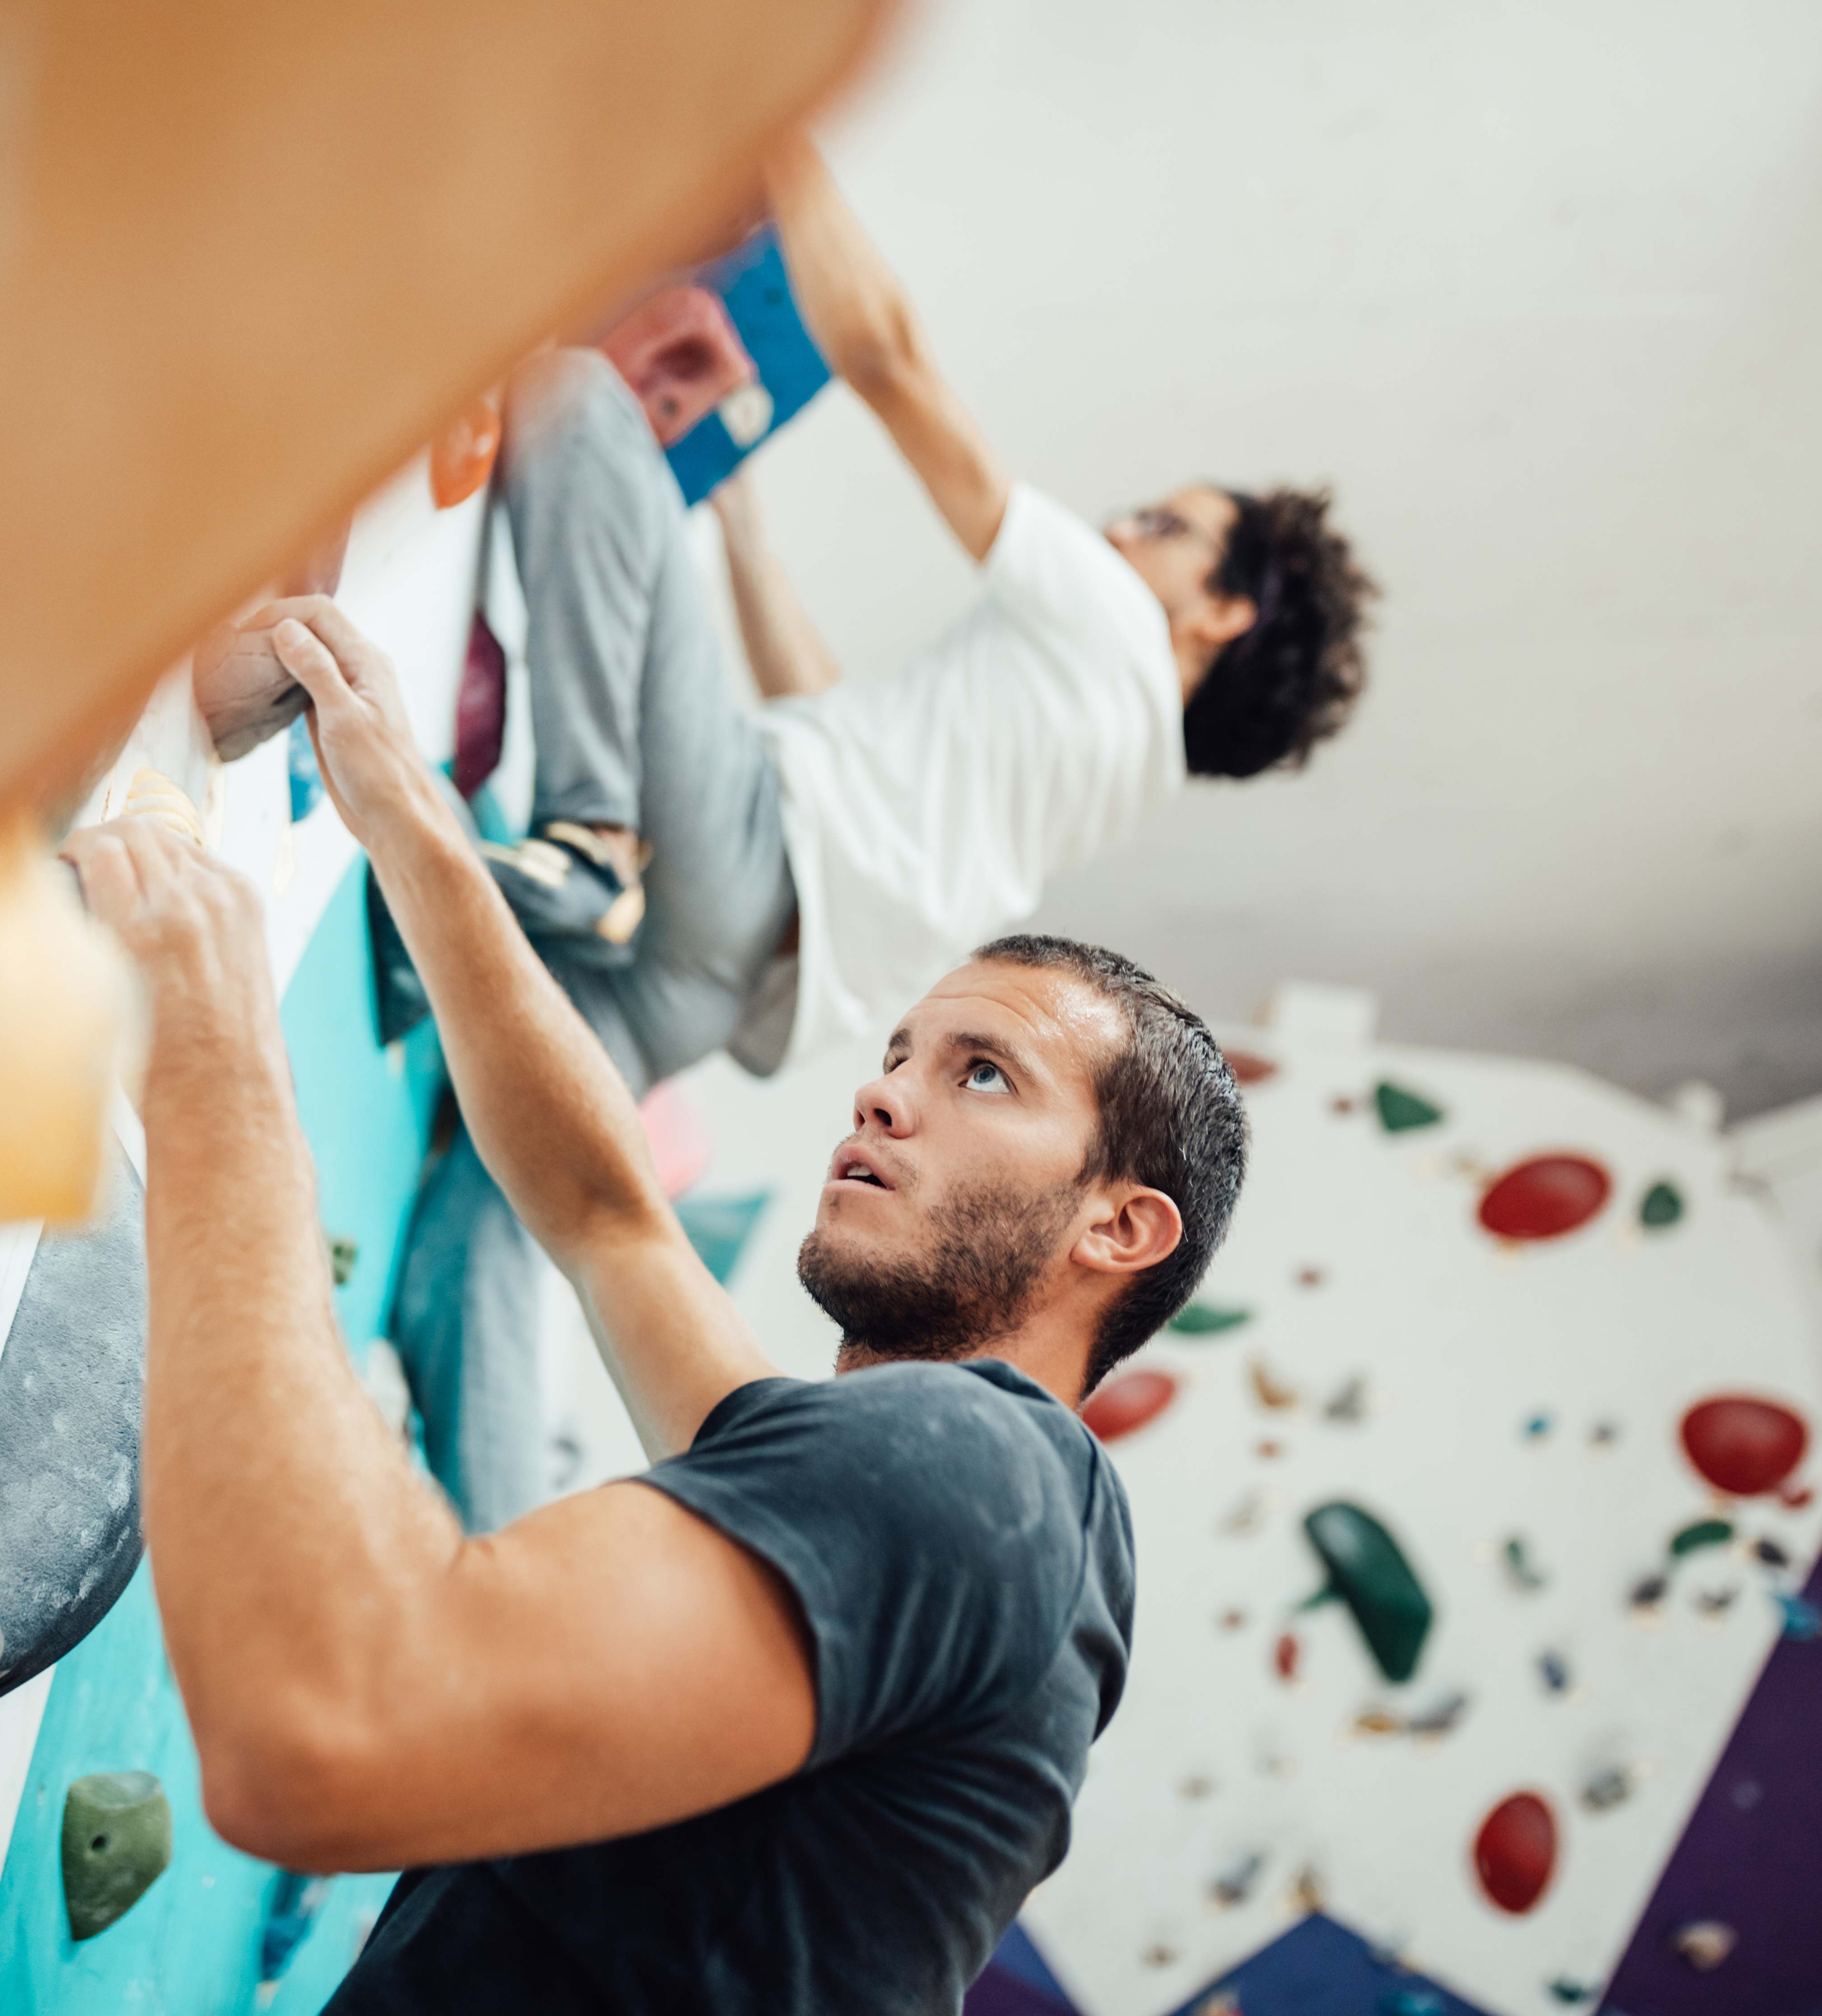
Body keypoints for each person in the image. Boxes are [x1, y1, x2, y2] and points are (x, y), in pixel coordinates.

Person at [63, 592, 1248, 2013]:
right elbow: (606, 1213)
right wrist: (411, 819)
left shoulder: (976, 1473)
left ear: (1118, 1226)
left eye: (982, 1073)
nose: (883, 1089)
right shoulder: (1010, 1527)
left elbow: (323, 1728)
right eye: (900, 1052)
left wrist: (211, 1052)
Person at [197, 140, 1369, 1530]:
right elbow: (832, 716)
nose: (1126, 528)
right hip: (743, 974)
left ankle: (588, 836)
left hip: (744, 863)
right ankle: (491, 1520)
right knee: (509, 1205)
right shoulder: (1118, 770)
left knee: (571, 399)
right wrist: (742, 531)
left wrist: (775, 126)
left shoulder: (1113, 621)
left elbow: (891, 357)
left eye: (1170, 527)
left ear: (1218, 614)